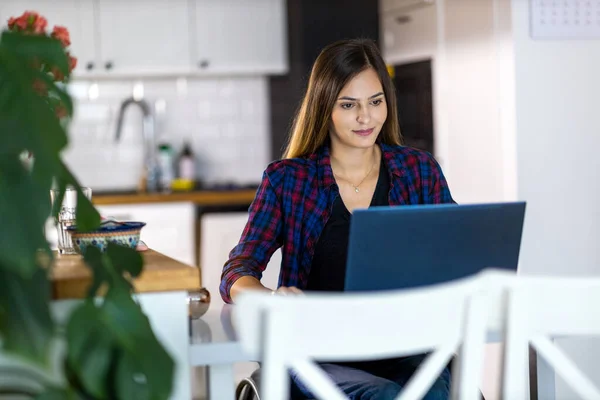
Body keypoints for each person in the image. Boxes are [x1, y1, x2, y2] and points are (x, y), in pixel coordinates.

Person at [220, 38, 454, 400]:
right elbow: (237, 270)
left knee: (440, 393)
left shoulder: (419, 170)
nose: (366, 117)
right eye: (349, 105)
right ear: (324, 107)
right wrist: (270, 298)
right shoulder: (287, 179)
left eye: (376, 102)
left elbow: (456, 250)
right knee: (387, 396)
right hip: (316, 353)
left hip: (405, 344)